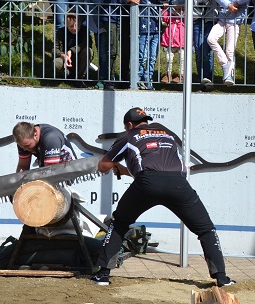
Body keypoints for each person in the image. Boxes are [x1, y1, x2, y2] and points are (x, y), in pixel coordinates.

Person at [91, 107, 234, 288]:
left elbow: (103, 166)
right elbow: (160, 167)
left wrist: (117, 164)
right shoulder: (167, 136)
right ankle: (222, 278)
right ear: (146, 121)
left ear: (128, 124)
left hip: (147, 183)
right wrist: (128, 171)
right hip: (178, 183)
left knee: (119, 223)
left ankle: (103, 275)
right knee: (206, 230)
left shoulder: (128, 136)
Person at [94, 0, 141, 89]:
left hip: (118, 16)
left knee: (115, 49)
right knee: (110, 49)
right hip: (108, 17)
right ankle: (108, 78)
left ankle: (113, 77)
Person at [208, 0, 255, 87]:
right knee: (211, 39)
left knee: (230, 50)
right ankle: (225, 64)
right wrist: (228, 5)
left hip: (234, 23)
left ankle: (229, 75)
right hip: (223, 19)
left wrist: (235, 1)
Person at [191, 0, 220, 87]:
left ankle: (208, 78)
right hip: (196, 18)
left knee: (206, 48)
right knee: (198, 48)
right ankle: (200, 77)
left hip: (209, 19)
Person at [135, 0, 163, 90]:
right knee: (142, 56)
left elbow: (166, 1)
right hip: (143, 31)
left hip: (155, 31)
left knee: (152, 57)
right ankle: (138, 79)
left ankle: (148, 79)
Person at [160, 0, 185, 83]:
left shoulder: (185, 17)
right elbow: (163, 16)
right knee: (168, 58)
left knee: (182, 58)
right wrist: (166, 8)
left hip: (182, 43)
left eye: (180, 9)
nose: (177, 11)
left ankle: (181, 75)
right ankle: (168, 74)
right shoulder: (170, 16)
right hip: (170, 42)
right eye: (175, 9)